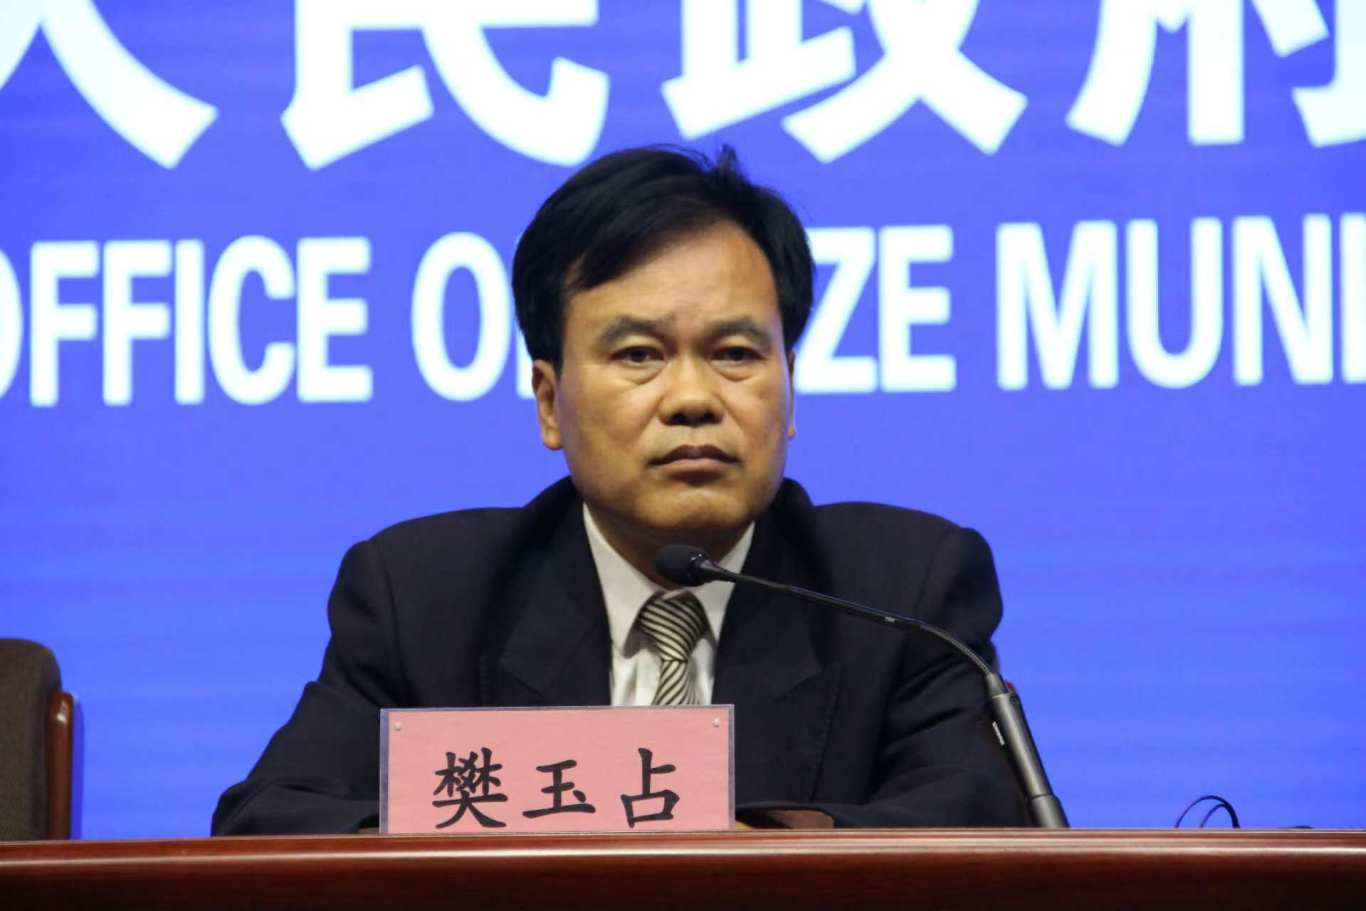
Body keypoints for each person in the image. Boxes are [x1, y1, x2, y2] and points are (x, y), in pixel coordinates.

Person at [211, 146, 1027, 834]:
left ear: (789, 387)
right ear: (549, 401)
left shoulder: (902, 595)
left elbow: (983, 821)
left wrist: (733, 855)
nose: (693, 398)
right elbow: (271, 822)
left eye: (736, 354)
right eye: (639, 355)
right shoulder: (424, 599)